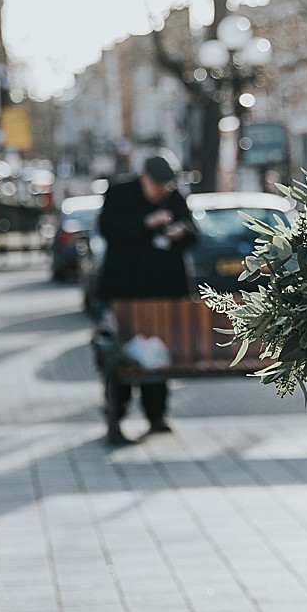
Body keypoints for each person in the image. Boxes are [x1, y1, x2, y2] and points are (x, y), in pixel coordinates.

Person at [96, 154, 199, 441]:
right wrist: (147, 223)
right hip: (125, 293)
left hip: (163, 292)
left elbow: (194, 233)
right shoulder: (119, 194)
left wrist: (182, 231)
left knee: (159, 354)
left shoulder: (174, 198)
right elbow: (108, 230)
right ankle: (116, 416)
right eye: (158, 186)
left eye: (166, 187)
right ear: (144, 178)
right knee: (122, 355)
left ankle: (157, 415)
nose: (162, 192)